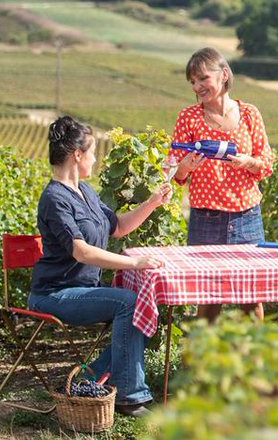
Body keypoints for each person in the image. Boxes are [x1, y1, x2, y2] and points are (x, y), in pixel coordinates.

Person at [28, 116, 171, 418]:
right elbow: (81, 252)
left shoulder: (86, 192)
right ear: (77, 154)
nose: (96, 159)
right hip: (54, 293)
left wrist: (152, 203)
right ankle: (130, 397)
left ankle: (87, 378)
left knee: (143, 305)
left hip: (84, 289)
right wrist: (135, 263)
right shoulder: (54, 199)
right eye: (92, 152)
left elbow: (118, 227)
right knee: (130, 304)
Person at [170, 46, 274, 321]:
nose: (198, 86)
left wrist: (248, 162)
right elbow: (174, 172)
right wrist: (185, 166)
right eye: (193, 81)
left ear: (224, 74)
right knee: (208, 301)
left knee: (251, 301)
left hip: (247, 218)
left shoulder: (249, 114)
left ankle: (255, 351)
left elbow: (266, 162)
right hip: (206, 219)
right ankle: (204, 352)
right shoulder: (188, 117)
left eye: (203, 78)